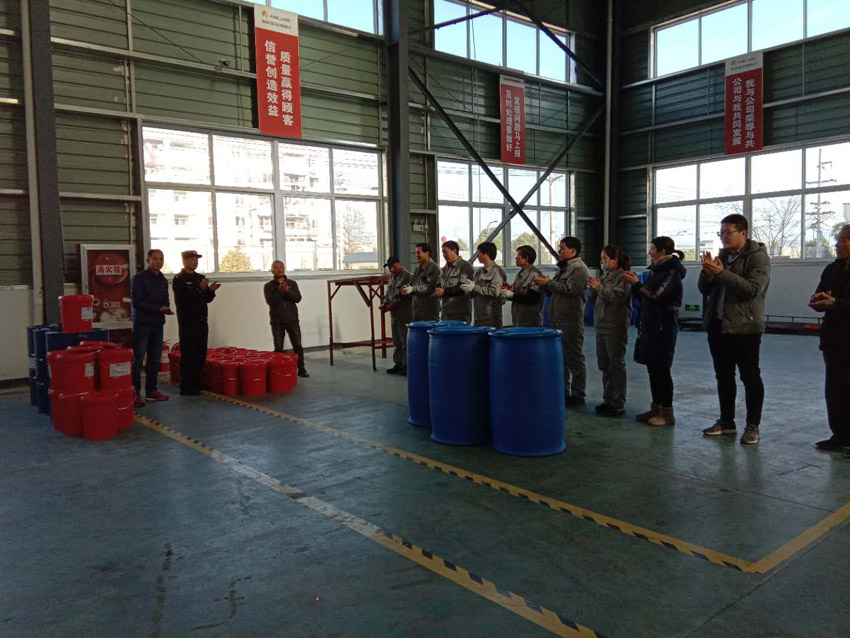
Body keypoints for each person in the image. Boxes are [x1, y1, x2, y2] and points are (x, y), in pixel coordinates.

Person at [698, 213, 771, 445]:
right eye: (721, 233)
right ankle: (726, 422)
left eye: (728, 232)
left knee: (750, 377)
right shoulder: (721, 256)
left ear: (743, 233)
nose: (724, 236)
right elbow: (703, 289)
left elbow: (752, 290)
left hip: (745, 327)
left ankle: (753, 426)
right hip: (718, 325)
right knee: (723, 377)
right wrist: (707, 273)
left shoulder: (758, 258)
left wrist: (721, 273)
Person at [623, 237, 686, 426]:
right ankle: (656, 407)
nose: (649, 252)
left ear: (662, 252)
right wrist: (635, 286)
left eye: (652, 249)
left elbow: (657, 296)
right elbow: (645, 296)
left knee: (662, 369)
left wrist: (637, 284)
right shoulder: (656, 271)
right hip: (650, 326)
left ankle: (667, 412)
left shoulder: (672, 272)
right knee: (653, 368)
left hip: (663, 327)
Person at [808, 225, 850, 451]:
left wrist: (836, 303)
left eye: (843, 240)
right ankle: (840, 436)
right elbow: (823, 293)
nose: (837, 244)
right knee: (835, 390)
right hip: (834, 338)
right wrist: (819, 300)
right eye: (838, 239)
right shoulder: (832, 269)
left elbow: (837, 302)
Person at [534, 237, 589, 406]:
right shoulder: (563, 268)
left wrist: (549, 283)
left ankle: (578, 394)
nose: (560, 251)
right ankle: (564, 392)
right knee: (561, 358)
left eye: (562, 248)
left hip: (570, 319)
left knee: (574, 357)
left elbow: (570, 290)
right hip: (557, 318)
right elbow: (556, 290)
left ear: (573, 251)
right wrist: (545, 285)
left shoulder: (579, 268)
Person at [588, 245, 632, 417]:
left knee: (616, 365)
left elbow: (617, 297)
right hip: (601, 325)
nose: (602, 262)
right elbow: (594, 298)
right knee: (604, 365)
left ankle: (618, 403)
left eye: (605, 259)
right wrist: (593, 289)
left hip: (615, 326)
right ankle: (608, 400)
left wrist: (598, 288)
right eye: (601, 259)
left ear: (615, 260)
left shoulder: (624, 277)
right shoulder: (604, 276)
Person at [172, 250, 219, 396]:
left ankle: (198, 383)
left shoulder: (200, 278)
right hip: (188, 322)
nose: (195, 262)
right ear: (184, 261)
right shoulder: (179, 279)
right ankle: (187, 387)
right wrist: (200, 289)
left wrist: (210, 291)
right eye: (192, 259)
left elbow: (206, 299)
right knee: (189, 355)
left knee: (200, 353)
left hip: (201, 321)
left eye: (196, 259)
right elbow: (183, 300)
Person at [130, 248, 173, 407]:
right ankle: (134, 393)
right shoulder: (139, 278)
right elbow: (137, 303)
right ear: (148, 260)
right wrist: (157, 309)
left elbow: (165, 299)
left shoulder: (162, 280)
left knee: (154, 360)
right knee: (138, 359)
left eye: (161, 259)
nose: (158, 262)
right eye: (155, 258)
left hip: (157, 324)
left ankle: (151, 391)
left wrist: (166, 308)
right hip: (142, 324)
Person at [263, 260, 309, 378]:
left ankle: (301, 368)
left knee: (297, 345)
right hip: (277, 321)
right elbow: (271, 302)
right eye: (276, 268)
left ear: (284, 268)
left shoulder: (292, 283)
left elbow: (298, 299)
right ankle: (278, 371)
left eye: (281, 267)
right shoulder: (268, 286)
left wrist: (287, 291)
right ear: (272, 271)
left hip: (292, 319)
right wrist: (280, 291)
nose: (279, 269)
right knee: (278, 346)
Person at [460, 241, 505, 328]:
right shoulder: (479, 272)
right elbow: (475, 291)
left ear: (486, 255)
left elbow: (495, 292)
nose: (477, 256)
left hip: (492, 317)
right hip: (478, 316)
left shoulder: (497, 272)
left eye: (479, 253)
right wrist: (468, 289)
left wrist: (474, 287)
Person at [381, 256, 412, 375]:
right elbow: (388, 293)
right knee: (396, 341)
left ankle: (407, 365)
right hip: (394, 314)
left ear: (400, 264)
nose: (392, 269)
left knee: (405, 341)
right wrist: (384, 304)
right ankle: (398, 363)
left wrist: (392, 304)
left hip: (405, 313)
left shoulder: (407, 276)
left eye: (394, 266)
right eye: (390, 267)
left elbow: (406, 296)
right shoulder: (392, 277)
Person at [502, 245, 543, 327]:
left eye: (518, 255)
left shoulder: (535, 274)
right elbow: (518, 296)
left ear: (526, 258)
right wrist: (510, 291)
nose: (516, 258)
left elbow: (532, 298)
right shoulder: (520, 274)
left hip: (530, 321)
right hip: (518, 319)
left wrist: (513, 295)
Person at [434, 240, 474, 323]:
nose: (444, 255)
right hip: (446, 312)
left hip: (460, 312)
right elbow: (439, 282)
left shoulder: (465, 267)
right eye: (443, 253)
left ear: (454, 251)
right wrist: (437, 289)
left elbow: (463, 287)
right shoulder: (445, 268)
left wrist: (444, 292)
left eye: (445, 252)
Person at [399, 243, 440, 321]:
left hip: (429, 312)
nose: (416, 255)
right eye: (415, 253)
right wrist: (406, 287)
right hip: (416, 311)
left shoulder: (434, 268)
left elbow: (429, 288)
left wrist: (412, 289)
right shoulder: (417, 269)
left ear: (427, 253)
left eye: (418, 253)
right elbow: (412, 284)